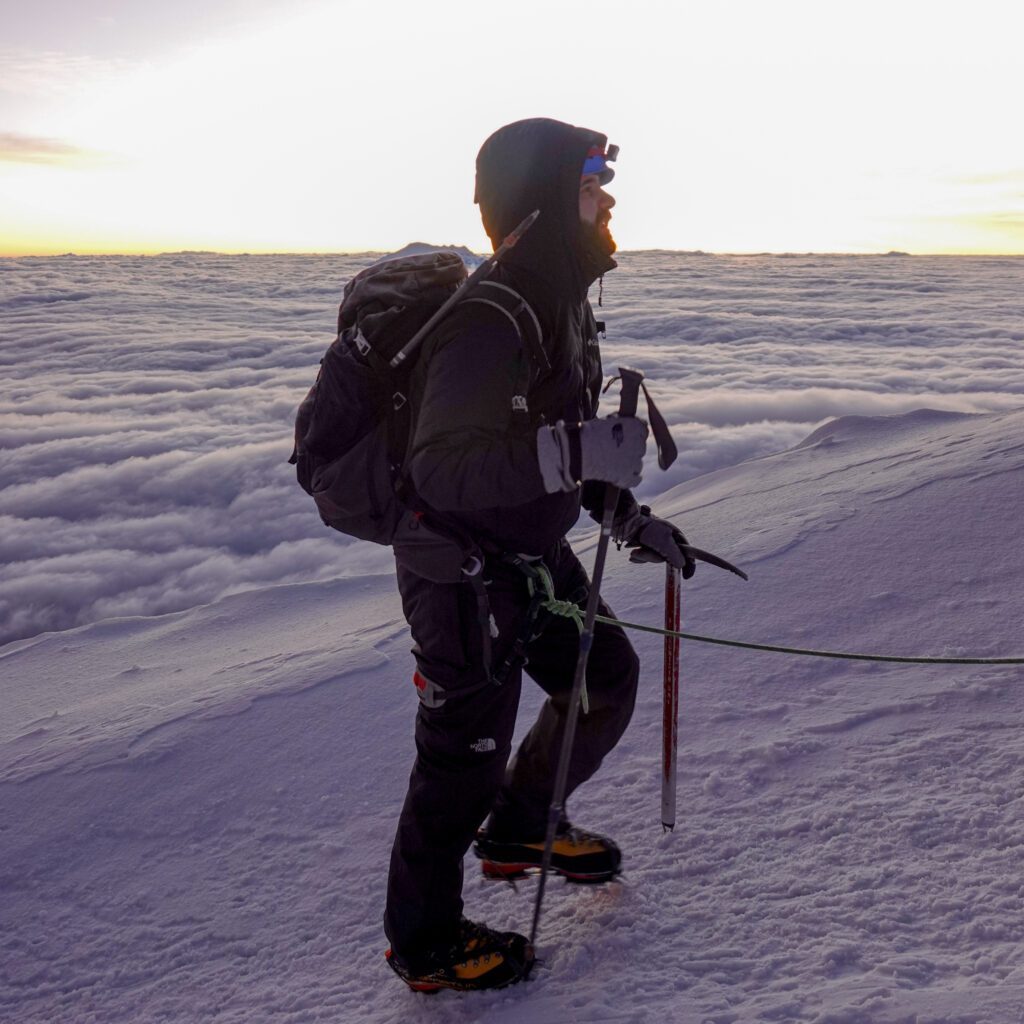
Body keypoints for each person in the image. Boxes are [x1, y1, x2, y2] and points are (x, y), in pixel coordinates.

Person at [383, 117, 696, 993]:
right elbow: (439, 469)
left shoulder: (558, 305)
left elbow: (556, 445)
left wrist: (624, 515)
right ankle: (424, 940)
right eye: (591, 187)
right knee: (461, 753)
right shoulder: (488, 321)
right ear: (545, 203)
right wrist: (573, 458)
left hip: (525, 549)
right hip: (458, 571)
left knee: (605, 674)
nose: (608, 201)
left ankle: (522, 824)